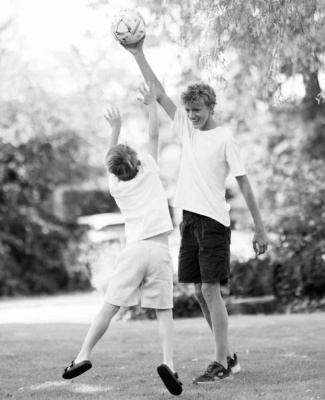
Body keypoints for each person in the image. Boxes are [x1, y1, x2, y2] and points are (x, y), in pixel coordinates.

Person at [121, 37, 269, 384]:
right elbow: (157, 91)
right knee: (199, 291)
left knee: (209, 290)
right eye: (188, 111)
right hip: (188, 221)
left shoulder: (224, 139)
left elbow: (245, 184)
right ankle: (228, 356)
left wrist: (260, 230)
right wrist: (139, 53)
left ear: (211, 107)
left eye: (197, 110)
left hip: (214, 222)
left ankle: (222, 362)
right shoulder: (187, 130)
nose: (191, 116)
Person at [62, 82, 183, 396]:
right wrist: (151, 105)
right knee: (164, 311)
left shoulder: (117, 188)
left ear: (114, 171)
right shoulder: (151, 170)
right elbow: (154, 135)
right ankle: (168, 363)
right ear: (137, 161)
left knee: (110, 305)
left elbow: (109, 159)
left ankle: (83, 355)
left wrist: (113, 128)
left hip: (133, 251)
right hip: (158, 250)